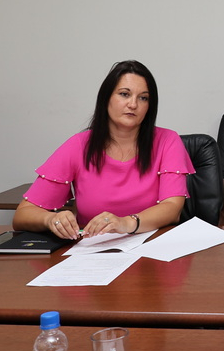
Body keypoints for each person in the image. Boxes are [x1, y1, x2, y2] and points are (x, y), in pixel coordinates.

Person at [14, 60, 194, 240]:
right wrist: (51, 219)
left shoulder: (168, 141)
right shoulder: (79, 145)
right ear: (106, 98)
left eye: (143, 98)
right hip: (94, 249)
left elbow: (172, 207)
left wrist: (126, 223)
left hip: (153, 247)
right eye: (124, 94)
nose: (133, 104)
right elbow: (23, 214)